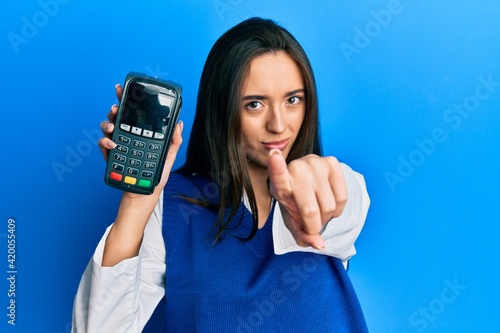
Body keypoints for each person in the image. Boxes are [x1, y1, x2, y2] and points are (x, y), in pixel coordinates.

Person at [72, 17, 370, 332]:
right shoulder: (173, 208)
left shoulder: (330, 186)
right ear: (222, 109)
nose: (279, 125)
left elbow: (344, 200)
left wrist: (316, 187)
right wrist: (136, 201)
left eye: (293, 100)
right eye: (255, 105)